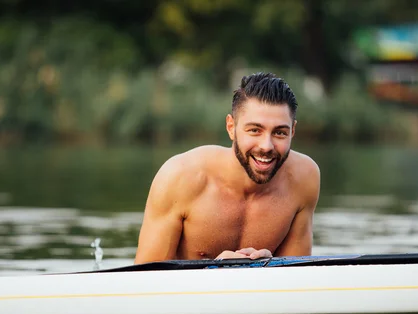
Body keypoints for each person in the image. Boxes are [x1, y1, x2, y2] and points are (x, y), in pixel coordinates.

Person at [134, 72, 320, 263]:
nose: (267, 146)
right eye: (255, 130)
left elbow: (294, 281)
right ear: (231, 127)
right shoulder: (180, 176)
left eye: (280, 133)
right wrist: (215, 271)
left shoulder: (303, 178)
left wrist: (271, 265)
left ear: (293, 131)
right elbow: (144, 282)